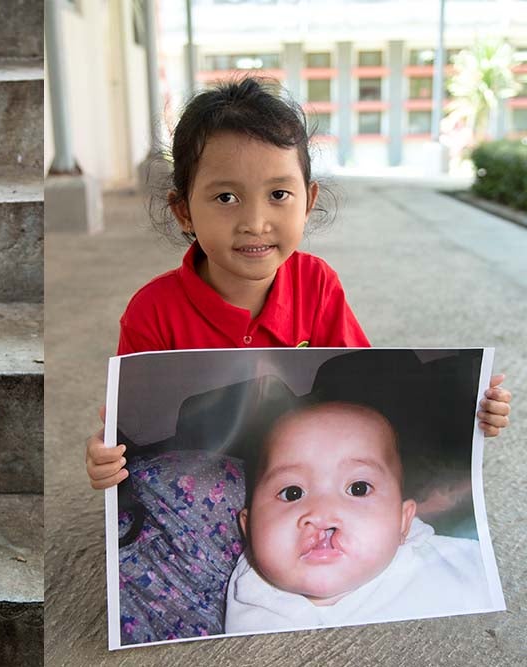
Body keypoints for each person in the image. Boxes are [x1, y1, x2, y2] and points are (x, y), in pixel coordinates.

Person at [85, 76, 511, 491]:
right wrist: (106, 458)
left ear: (308, 201)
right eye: (226, 198)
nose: (255, 223)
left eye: (278, 195)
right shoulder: (152, 312)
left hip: (304, 483)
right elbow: (131, 434)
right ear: (184, 212)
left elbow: (368, 395)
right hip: (207, 484)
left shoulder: (317, 285)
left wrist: (465, 409)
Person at [226, 401, 493, 632]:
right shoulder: (251, 598)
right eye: (292, 492)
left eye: (358, 489)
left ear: (403, 522)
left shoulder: (454, 566)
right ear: (248, 528)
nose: (322, 513)